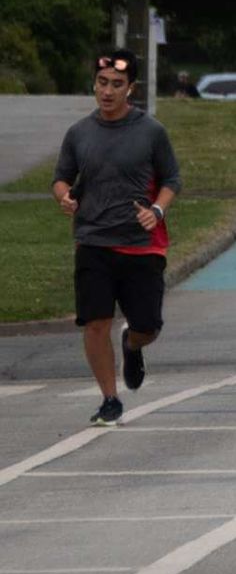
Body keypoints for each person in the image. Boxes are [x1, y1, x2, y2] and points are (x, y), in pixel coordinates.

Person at [52, 50, 182, 427]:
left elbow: (172, 180)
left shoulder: (151, 131)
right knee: (95, 322)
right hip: (93, 241)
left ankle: (132, 343)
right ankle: (110, 399)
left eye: (117, 85)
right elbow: (61, 177)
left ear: (131, 89)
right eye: (102, 83)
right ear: (94, 84)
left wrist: (156, 210)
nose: (108, 91)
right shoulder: (79, 133)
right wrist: (63, 196)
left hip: (141, 245)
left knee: (148, 325)